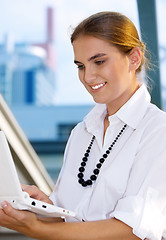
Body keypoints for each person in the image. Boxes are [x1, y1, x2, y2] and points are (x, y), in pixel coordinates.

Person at [0, 11, 166, 240]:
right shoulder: (82, 132)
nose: (88, 77)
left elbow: (131, 231)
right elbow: (69, 220)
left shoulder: (158, 130)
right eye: (80, 65)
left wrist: (35, 228)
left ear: (134, 58)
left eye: (99, 61)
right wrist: (45, 206)